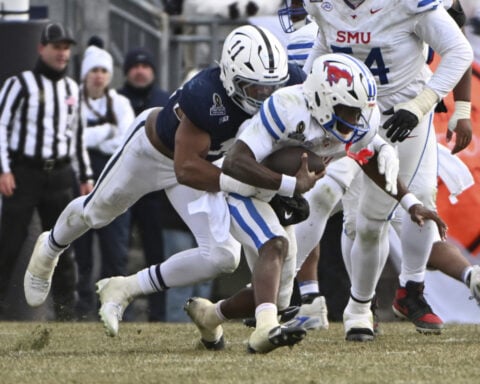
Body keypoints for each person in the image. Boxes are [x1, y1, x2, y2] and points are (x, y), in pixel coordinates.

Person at [22, 25, 305, 330]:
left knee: (222, 256)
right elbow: (185, 169)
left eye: (271, 88)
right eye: (255, 88)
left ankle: (127, 287)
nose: (265, 96)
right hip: (153, 154)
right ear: (231, 78)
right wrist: (256, 184)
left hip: (208, 163)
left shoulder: (291, 81)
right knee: (96, 212)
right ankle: (50, 246)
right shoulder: (206, 96)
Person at [185, 52, 445, 353]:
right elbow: (234, 162)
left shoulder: (358, 119)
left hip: (280, 195)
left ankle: (210, 315)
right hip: (243, 188)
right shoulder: (286, 108)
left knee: (276, 296)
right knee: (275, 243)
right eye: (348, 110)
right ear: (322, 99)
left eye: (359, 111)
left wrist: (410, 202)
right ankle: (264, 331)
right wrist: (291, 185)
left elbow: (367, 158)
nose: (355, 119)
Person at [302, 0, 473, 339]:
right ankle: (361, 306)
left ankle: (410, 289)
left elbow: (459, 51)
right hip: (351, 120)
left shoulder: (407, 3)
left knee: (419, 201)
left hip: (405, 114)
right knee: (361, 225)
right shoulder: (323, 5)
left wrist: (427, 105)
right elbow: (325, 45)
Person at [0, 22, 93, 320]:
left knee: (63, 245)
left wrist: (86, 176)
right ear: (42, 48)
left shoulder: (72, 88)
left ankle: (67, 313)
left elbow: (77, 135)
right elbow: (0, 125)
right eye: (57, 47)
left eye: (66, 48)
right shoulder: (20, 84)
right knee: (9, 243)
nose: (62, 53)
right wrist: (3, 169)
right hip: (25, 172)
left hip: (61, 174)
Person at [118, 47, 207, 323]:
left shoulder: (226, 123)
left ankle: (203, 322)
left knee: (207, 273)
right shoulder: (172, 111)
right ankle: (170, 323)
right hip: (173, 207)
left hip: (201, 207)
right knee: (176, 276)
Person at [74, 44, 135, 320]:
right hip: (78, 178)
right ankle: (81, 306)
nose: (98, 76)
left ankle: (114, 304)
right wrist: (105, 131)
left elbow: (124, 140)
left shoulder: (120, 103)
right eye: (93, 71)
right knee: (80, 249)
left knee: (115, 248)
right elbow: (71, 140)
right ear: (85, 74)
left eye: (103, 71)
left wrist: (89, 136)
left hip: (114, 178)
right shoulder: (72, 100)